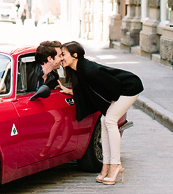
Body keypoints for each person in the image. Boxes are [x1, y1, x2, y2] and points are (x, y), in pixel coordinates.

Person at [59, 41, 144, 185]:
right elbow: (88, 89)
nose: (61, 58)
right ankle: (106, 166)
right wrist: (71, 91)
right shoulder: (78, 70)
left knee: (110, 120)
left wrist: (110, 106)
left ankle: (115, 165)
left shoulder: (89, 70)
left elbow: (114, 86)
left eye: (63, 54)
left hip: (130, 87)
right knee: (104, 121)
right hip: (119, 91)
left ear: (75, 55)